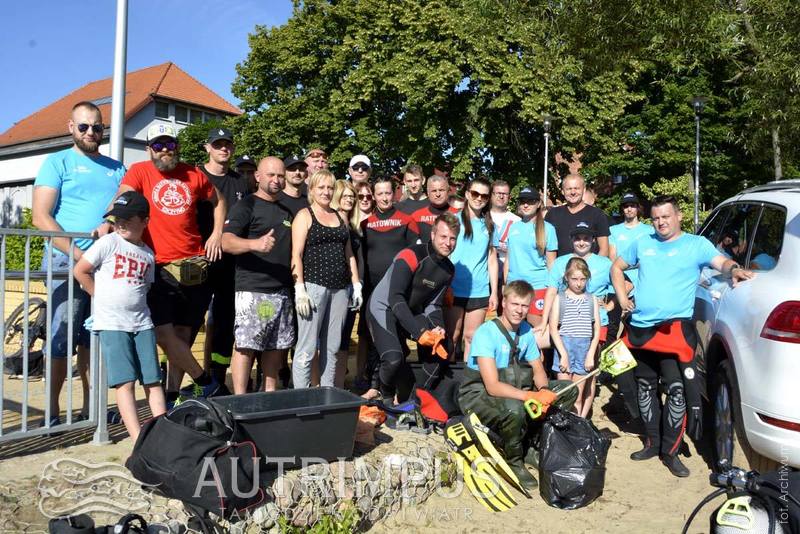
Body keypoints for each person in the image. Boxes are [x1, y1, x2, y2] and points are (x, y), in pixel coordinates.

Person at [611, 195, 755, 478]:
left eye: (666, 216)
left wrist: (735, 270)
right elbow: (616, 267)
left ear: (678, 216)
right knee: (645, 388)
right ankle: (652, 443)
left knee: (677, 392)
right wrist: (621, 296)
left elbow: (721, 262)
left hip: (674, 332)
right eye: (656, 218)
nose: (660, 222)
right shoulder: (642, 242)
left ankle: (671, 451)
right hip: (641, 329)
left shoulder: (696, 245)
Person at [116, 123, 226, 402]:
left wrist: (216, 234)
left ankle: (173, 393)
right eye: (158, 145)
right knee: (163, 334)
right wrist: (110, 223)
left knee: (183, 334)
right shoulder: (139, 171)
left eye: (170, 144)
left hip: (194, 265)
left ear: (178, 147)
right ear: (149, 149)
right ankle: (205, 381)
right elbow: (123, 199)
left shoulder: (193, 173)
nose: (165, 150)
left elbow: (219, 201)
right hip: (158, 266)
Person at [32, 101, 126, 424]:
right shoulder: (57, 162)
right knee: (61, 336)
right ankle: (52, 413)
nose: (90, 132)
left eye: (96, 127)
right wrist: (78, 254)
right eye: (83, 126)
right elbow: (41, 216)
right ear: (71, 127)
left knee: (95, 337)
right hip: (65, 260)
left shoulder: (117, 168)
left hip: (106, 264)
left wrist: (110, 229)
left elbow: (123, 211)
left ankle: (92, 408)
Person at [458, 280, 578, 490]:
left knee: (567, 390)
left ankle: (530, 445)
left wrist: (544, 393)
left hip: (514, 388)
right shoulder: (486, 333)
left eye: (524, 306)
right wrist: (531, 397)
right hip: (479, 395)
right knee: (515, 408)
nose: (519, 310)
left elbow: (538, 370)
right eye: (515, 304)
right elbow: (492, 386)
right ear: (504, 302)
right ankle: (513, 460)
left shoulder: (526, 331)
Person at [73, 191, 165, 440]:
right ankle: (137, 439)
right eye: (117, 218)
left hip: (142, 323)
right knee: (125, 382)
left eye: (127, 218)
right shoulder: (108, 242)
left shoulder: (148, 254)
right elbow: (80, 270)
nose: (120, 223)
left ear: (144, 221)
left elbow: (145, 287)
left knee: (153, 380)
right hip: (112, 324)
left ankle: (162, 434)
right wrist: (99, 297)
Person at [366, 213, 459, 405]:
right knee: (394, 359)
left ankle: (418, 397)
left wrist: (438, 328)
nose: (448, 243)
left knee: (442, 346)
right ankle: (386, 398)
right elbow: (395, 297)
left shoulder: (448, 269)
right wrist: (419, 332)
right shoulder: (411, 255)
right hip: (384, 308)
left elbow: (433, 304)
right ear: (432, 235)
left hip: (410, 311)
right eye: (443, 237)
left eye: (452, 238)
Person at [221, 157, 295, 394]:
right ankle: (240, 398)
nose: (276, 180)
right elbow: (226, 241)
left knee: (275, 348)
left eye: (280, 175)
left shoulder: (286, 210)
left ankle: (269, 394)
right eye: (271, 175)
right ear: (258, 176)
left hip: (281, 290)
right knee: (246, 346)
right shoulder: (246, 205)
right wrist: (255, 244)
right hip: (253, 289)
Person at [291, 170, 362, 388]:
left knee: (332, 348)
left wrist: (356, 284)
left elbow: (349, 253)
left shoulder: (340, 217)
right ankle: (302, 397)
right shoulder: (304, 215)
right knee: (307, 347)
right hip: (313, 287)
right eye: (321, 187)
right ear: (312, 190)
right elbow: (296, 254)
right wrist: (299, 288)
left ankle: (327, 394)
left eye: (330, 187)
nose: (326, 191)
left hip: (340, 289)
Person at [197, 127, 251, 385]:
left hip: (230, 263)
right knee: (190, 322)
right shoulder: (195, 175)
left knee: (224, 321)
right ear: (207, 148)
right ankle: (178, 382)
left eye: (227, 144)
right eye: (217, 144)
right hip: (199, 259)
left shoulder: (240, 181)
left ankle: (218, 379)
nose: (223, 149)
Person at [359, 178, 420, 398]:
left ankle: (396, 388)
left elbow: (415, 256)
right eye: (380, 194)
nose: (384, 198)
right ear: (373, 196)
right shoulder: (365, 224)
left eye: (388, 193)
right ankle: (374, 385)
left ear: (394, 194)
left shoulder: (407, 221)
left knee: (398, 342)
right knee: (376, 341)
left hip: (398, 292)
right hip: (371, 291)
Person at [542, 222, 613, 408]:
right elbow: (551, 291)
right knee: (565, 390)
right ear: (572, 240)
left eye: (586, 238)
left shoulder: (605, 263)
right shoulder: (560, 263)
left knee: (589, 377)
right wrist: (543, 321)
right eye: (578, 238)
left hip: (592, 328)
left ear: (593, 240)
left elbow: (626, 285)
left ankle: (583, 418)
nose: (582, 242)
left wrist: (609, 305)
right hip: (566, 330)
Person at [445, 178, 498, 362]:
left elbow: (492, 259)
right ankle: (448, 377)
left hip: (479, 290)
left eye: (484, 195)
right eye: (475, 193)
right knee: (452, 336)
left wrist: (494, 292)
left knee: (472, 338)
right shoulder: (453, 220)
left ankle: (468, 379)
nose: (479, 198)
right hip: (454, 288)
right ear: (467, 194)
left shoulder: (489, 225)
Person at [549, 257, 600, 417]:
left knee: (577, 397)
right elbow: (553, 328)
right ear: (566, 277)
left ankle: (577, 425)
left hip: (584, 349)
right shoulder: (560, 298)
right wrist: (563, 354)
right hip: (565, 346)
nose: (579, 283)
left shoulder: (591, 299)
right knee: (565, 396)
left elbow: (596, 330)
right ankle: (563, 427)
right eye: (574, 279)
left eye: (583, 279)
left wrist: (590, 354)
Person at [504, 187, 558, 337]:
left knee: (537, 334)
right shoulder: (513, 227)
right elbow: (508, 259)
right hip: (514, 287)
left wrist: (553, 290)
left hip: (538, 287)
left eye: (531, 201)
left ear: (539, 203)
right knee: (513, 333)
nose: (526, 205)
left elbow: (551, 264)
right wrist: (505, 284)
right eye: (522, 201)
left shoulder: (548, 229)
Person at [545, 174, 610, 257]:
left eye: (576, 188)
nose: (573, 192)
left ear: (584, 190)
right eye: (569, 189)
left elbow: (604, 249)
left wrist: (594, 265)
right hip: (559, 264)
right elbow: (546, 247)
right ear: (562, 191)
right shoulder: (552, 214)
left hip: (588, 265)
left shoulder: (597, 214)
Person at [489, 180, 520, 292]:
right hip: (485, 273)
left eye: (505, 194)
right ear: (491, 195)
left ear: (509, 197)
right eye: (498, 193)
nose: (501, 196)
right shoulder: (483, 217)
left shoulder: (517, 221)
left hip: (507, 274)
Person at [411, 175, 457, 243]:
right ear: (428, 193)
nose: (438, 194)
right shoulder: (416, 217)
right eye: (434, 191)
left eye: (441, 190)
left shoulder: (459, 215)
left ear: (448, 191)